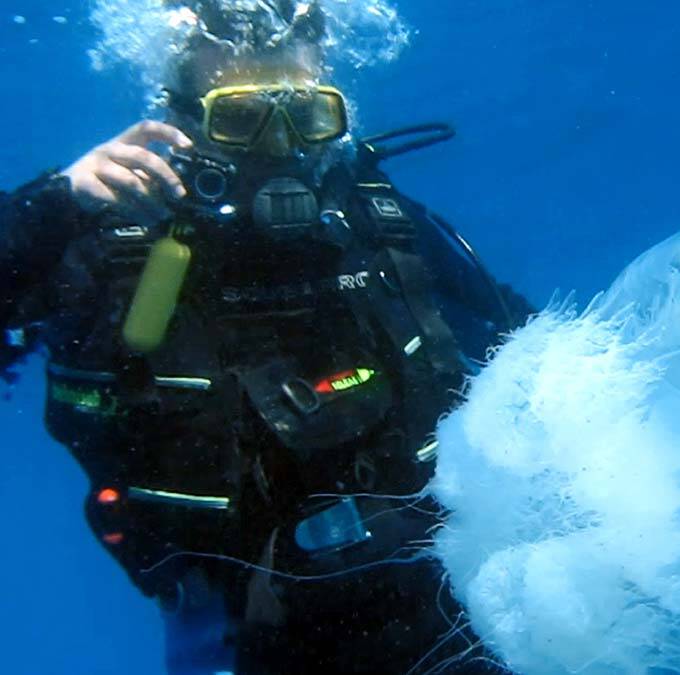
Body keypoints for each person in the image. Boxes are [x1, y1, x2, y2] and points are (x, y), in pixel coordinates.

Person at [0, 2, 528, 673]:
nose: (280, 147)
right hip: (230, 631)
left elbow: (532, 345)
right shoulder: (104, 245)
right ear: (183, 118)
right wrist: (44, 210)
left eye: (307, 116)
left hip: (448, 598)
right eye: (242, 118)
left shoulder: (379, 224)